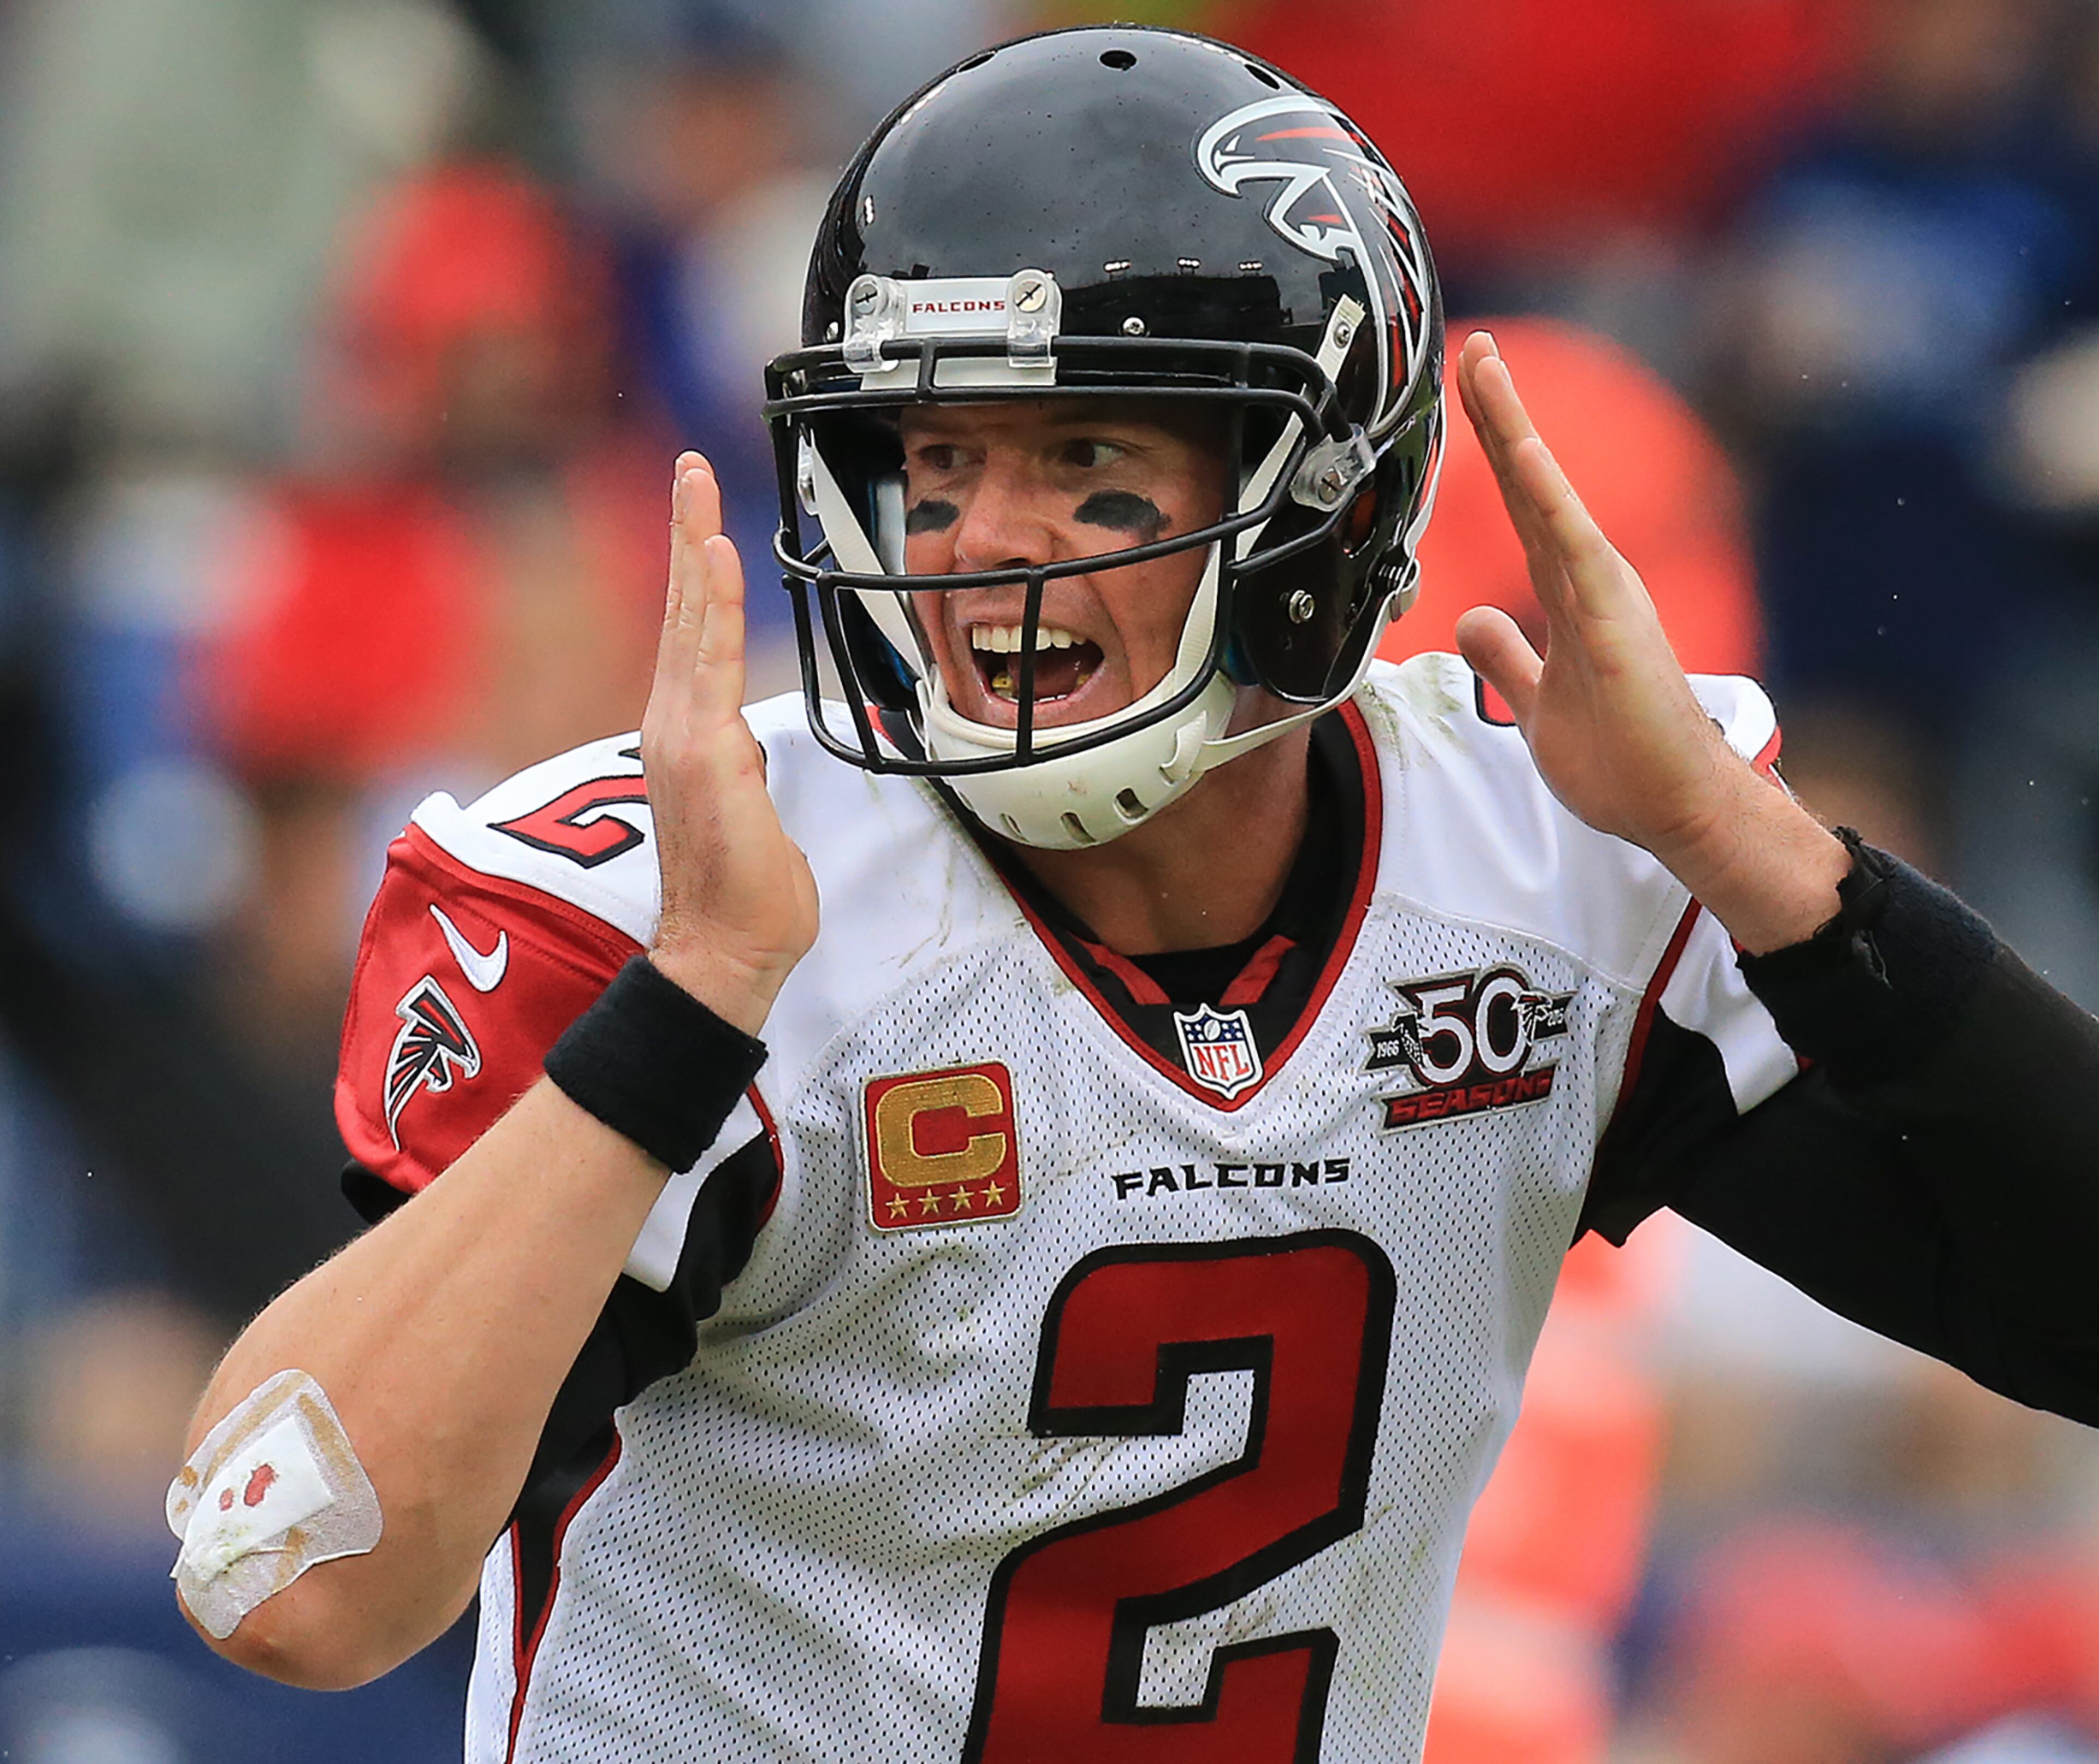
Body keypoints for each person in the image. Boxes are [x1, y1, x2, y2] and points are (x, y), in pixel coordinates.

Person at [171, 27, 2099, 1764]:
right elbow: (289, 1586)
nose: (979, 541)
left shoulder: (1533, 873)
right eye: (937, 459)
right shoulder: (702, 898)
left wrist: (1759, 857)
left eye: (1085, 455)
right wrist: (684, 1007)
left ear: (1325, 496)